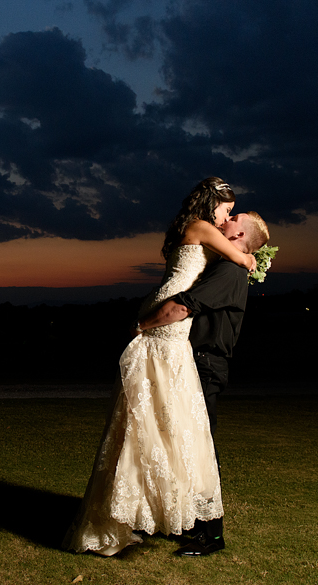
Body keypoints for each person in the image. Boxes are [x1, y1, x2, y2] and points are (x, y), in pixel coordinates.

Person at [63, 177, 256, 557]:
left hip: (167, 322)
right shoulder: (200, 227)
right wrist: (252, 258)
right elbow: (239, 256)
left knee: (158, 418)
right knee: (164, 419)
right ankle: (179, 519)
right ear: (211, 204)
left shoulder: (194, 228)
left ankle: (158, 512)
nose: (226, 217)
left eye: (231, 214)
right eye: (226, 209)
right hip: (166, 323)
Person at [134, 211, 270, 556]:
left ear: (239, 235)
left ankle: (213, 534)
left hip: (206, 364)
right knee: (185, 445)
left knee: (202, 449)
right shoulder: (227, 262)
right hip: (198, 362)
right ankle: (192, 522)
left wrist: (142, 325)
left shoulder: (229, 269)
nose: (222, 219)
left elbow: (183, 306)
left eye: (232, 217)